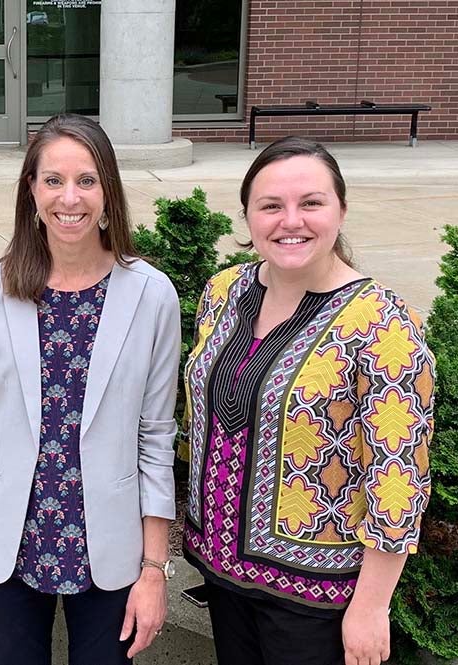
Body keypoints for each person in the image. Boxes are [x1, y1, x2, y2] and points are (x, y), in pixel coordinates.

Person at [183, 136, 434, 665]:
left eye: (311, 203)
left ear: (341, 209)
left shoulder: (383, 324)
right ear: (248, 216)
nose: (289, 220)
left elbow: (398, 478)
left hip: (318, 601)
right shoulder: (223, 292)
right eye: (271, 205)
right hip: (222, 575)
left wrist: (370, 607)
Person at [0, 113, 181, 665]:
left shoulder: (151, 297)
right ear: (31, 191)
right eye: (53, 180)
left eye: (87, 180)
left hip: (110, 546)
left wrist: (154, 569)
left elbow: (156, 438)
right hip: (8, 544)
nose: (69, 198)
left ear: (108, 193)